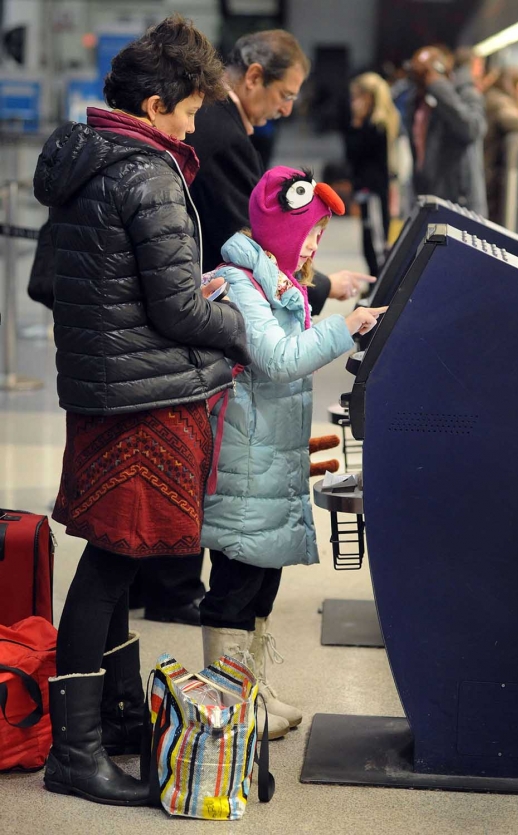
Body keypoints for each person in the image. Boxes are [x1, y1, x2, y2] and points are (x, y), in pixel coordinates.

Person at [32, 14, 250, 806]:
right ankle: (76, 752)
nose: (196, 123)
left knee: (112, 560)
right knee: (111, 563)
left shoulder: (81, 159)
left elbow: (53, 282)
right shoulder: (149, 172)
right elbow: (180, 314)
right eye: (191, 110)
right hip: (145, 399)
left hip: (101, 390)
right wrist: (237, 325)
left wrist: (123, 310)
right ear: (157, 106)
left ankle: (117, 718)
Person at [198, 166, 386, 739]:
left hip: (269, 454)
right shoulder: (239, 284)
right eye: (308, 232)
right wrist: (343, 328)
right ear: (276, 227)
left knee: (263, 580)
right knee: (236, 578)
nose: (314, 244)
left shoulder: (278, 281)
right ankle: (227, 702)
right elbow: (277, 359)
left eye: (320, 234)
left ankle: (250, 688)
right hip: (244, 458)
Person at [188, 29, 372, 306]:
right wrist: (324, 285)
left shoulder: (210, 116)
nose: (286, 110)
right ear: (254, 77)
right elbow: (253, 240)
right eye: (285, 96)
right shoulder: (225, 137)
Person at [404, 44, 487, 215]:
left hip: (460, 199)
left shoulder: (463, 93)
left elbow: (472, 128)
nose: (422, 78)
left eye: (426, 72)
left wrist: (439, 88)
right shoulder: (417, 101)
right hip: (429, 194)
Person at [342, 72, 401, 275]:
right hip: (367, 187)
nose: (354, 101)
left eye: (358, 96)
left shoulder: (376, 125)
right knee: (370, 237)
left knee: (376, 239)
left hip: (373, 189)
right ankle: (376, 277)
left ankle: (379, 279)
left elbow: (357, 154)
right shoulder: (370, 123)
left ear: (369, 97)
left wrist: (356, 124)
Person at [484, 66, 518, 225]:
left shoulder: (497, 98)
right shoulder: (498, 101)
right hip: (490, 168)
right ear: (511, 84)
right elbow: (516, 122)